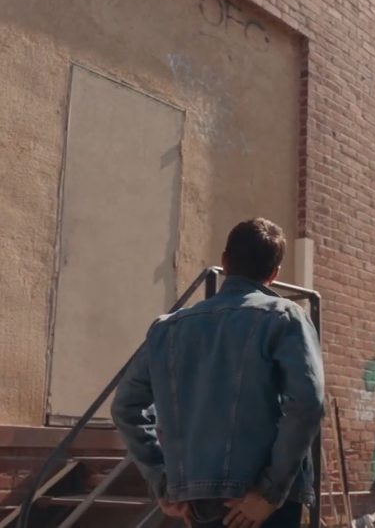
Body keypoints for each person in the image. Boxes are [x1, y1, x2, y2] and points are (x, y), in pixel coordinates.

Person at [112, 218, 325, 528]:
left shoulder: (167, 329)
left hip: (197, 502)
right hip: (261, 505)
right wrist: (270, 491)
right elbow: (307, 403)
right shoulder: (285, 318)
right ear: (274, 274)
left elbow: (125, 407)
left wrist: (163, 481)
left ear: (224, 261)